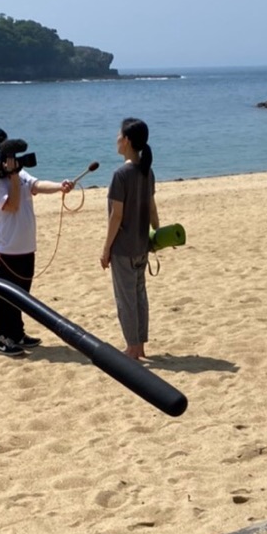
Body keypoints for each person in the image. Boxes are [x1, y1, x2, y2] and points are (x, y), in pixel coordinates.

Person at [0, 129, 73, 357]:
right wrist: (12, 175)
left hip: (26, 247)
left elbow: (37, 185)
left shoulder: (19, 174)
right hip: (5, 249)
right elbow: (11, 205)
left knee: (22, 294)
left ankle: (16, 333)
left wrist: (60, 186)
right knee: (3, 297)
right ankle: (0, 338)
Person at [101, 117, 158, 360]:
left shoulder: (121, 174)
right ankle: (140, 346)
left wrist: (105, 250)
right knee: (139, 296)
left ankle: (133, 348)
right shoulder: (147, 171)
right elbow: (153, 209)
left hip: (124, 248)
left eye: (119, 135)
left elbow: (116, 216)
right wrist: (158, 234)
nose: (116, 139)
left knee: (126, 299)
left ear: (126, 141)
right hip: (141, 245)